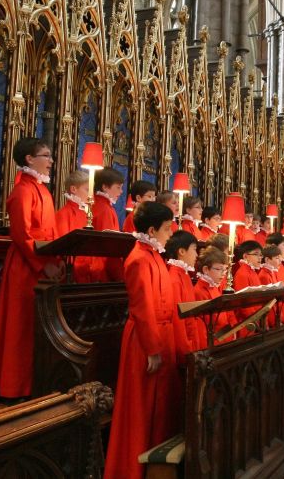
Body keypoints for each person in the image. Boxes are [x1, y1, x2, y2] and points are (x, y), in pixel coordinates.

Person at [104, 202, 189, 479]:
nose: (171, 233)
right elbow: (142, 309)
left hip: (159, 335)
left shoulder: (153, 255)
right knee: (140, 407)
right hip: (144, 341)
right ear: (152, 230)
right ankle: (131, 468)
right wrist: (153, 350)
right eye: (167, 228)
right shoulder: (139, 259)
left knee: (160, 404)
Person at [0, 138, 62, 399]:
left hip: (43, 265)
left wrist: (57, 260)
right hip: (26, 267)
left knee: (37, 327)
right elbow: (21, 234)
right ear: (29, 159)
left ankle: (35, 384)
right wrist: (43, 264)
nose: (51, 161)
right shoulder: (23, 191)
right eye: (46, 155)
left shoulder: (43, 191)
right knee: (20, 327)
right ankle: (15, 387)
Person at [166, 230, 204, 352]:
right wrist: (186, 349)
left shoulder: (183, 274)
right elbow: (178, 320)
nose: (197, 255)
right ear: (181, 251)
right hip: (184, 343)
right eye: (194, 249)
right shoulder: (174, 279)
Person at [55, 170, 91, 282]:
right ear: (73, 189)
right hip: (72, 270)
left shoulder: (87, 213)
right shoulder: (64, 214)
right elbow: (61, 244)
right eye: (87, 190)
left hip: (86, 268)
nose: (91, 194)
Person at [193, 246, 234, 344]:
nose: (223, 274)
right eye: (219, 269)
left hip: (223, 338)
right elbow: (202, 327)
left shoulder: (214, 286)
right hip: (213, 342)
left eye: (225, 270)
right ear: (206, 269)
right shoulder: (199, 291)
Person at [90, 167, 125, 282]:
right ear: (105, 187)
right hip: (101, 270)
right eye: (118, 187)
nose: (121, 192)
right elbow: (109, 245)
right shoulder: (105, 209)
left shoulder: (97, 204)